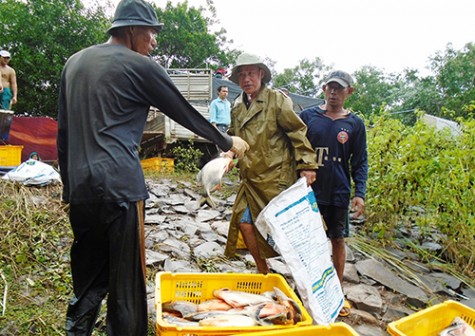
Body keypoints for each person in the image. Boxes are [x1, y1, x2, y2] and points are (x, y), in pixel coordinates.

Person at [56, 0, 248, 335]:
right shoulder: (140, 65)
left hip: (82, 190)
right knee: (126, 289)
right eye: (151, 32)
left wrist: (68, 189)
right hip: (120, 188)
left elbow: (64, 133)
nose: (154, 41)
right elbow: (183, 111)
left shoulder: (73, 64)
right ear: (131, 30)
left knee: (86, 280)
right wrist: (228, 142)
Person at [223, 52, 318, 274]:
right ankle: (262, 271)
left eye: (251, 73)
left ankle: (306, 277)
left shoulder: (277, 100)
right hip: (250, 179)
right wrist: (228, 156)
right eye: (242, 75)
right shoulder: (237, 106)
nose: (246, 79)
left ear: (261, 74)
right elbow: (233, 137)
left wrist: (308, 165)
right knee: (245, 224)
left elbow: (297, 131)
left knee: (287, 233)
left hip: (276, 179)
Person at [299, 70, 368, 317]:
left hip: (339, 191)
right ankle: (308, 289)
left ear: (349, 92)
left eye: (339, 88)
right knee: (309, 241)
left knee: (337, 240)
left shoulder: (354, 124)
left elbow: (360, 161)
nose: (333, 92)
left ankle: (337, 290)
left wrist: (360, 193)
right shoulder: (307, 117)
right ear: (324, 89)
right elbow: (292, 147)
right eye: (330, 87)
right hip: (309, 192)